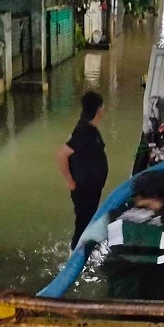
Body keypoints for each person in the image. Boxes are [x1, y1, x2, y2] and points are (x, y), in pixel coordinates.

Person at [56, 92, 108, 251]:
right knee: (83, 222)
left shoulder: (88, 127)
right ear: (98, 109)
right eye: (103, 106)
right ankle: (76, 257)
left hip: (91, 186)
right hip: (84, 188)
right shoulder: (84, 131)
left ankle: (86, 250)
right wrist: (70, 182)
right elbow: (61, 154)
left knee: (88, 219)